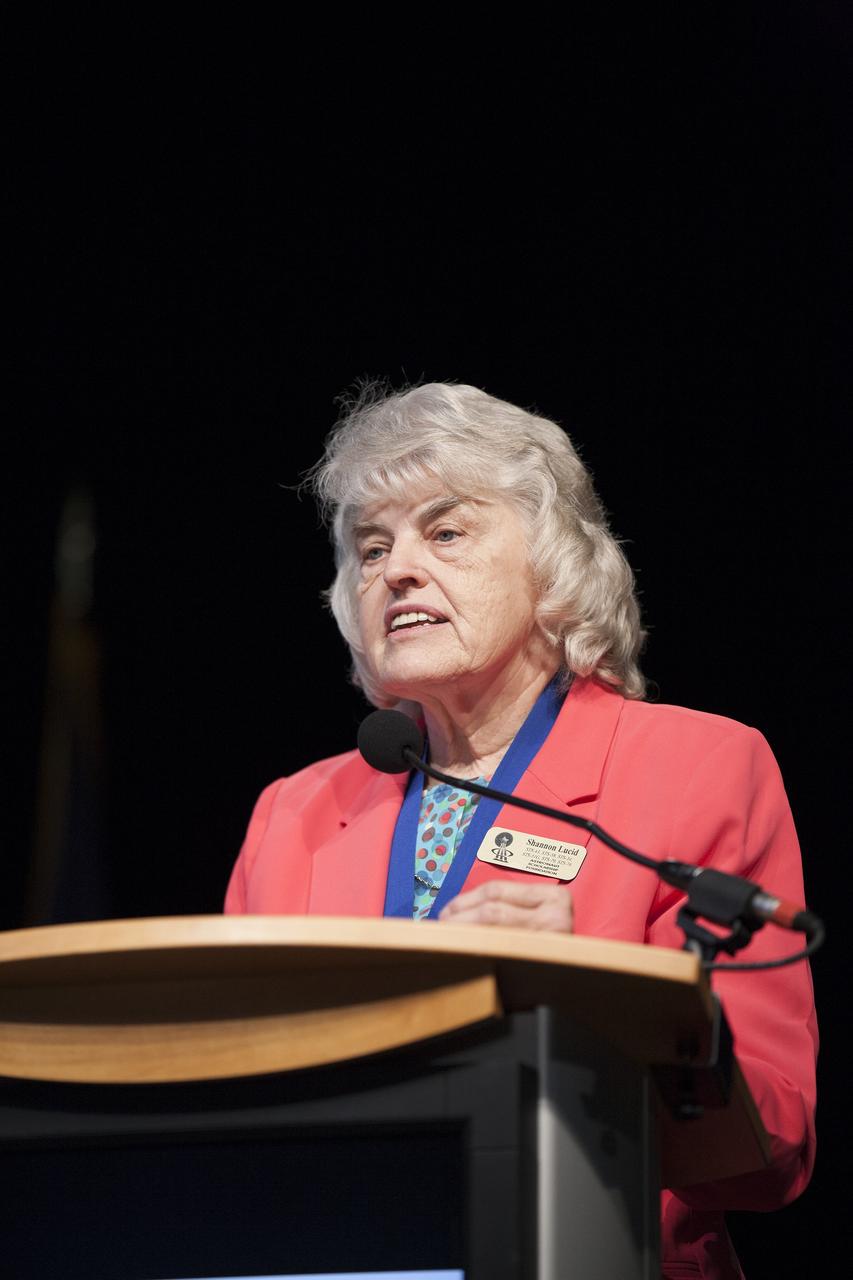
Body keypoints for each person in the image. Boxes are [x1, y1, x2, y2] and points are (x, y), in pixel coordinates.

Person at [225, 382, 817, 1280]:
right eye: (370, 547)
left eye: (446, 531)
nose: (397, 569)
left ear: (556, 565)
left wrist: (591, 1006)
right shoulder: (293, 812)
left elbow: (771, 1144)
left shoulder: (699, 765)